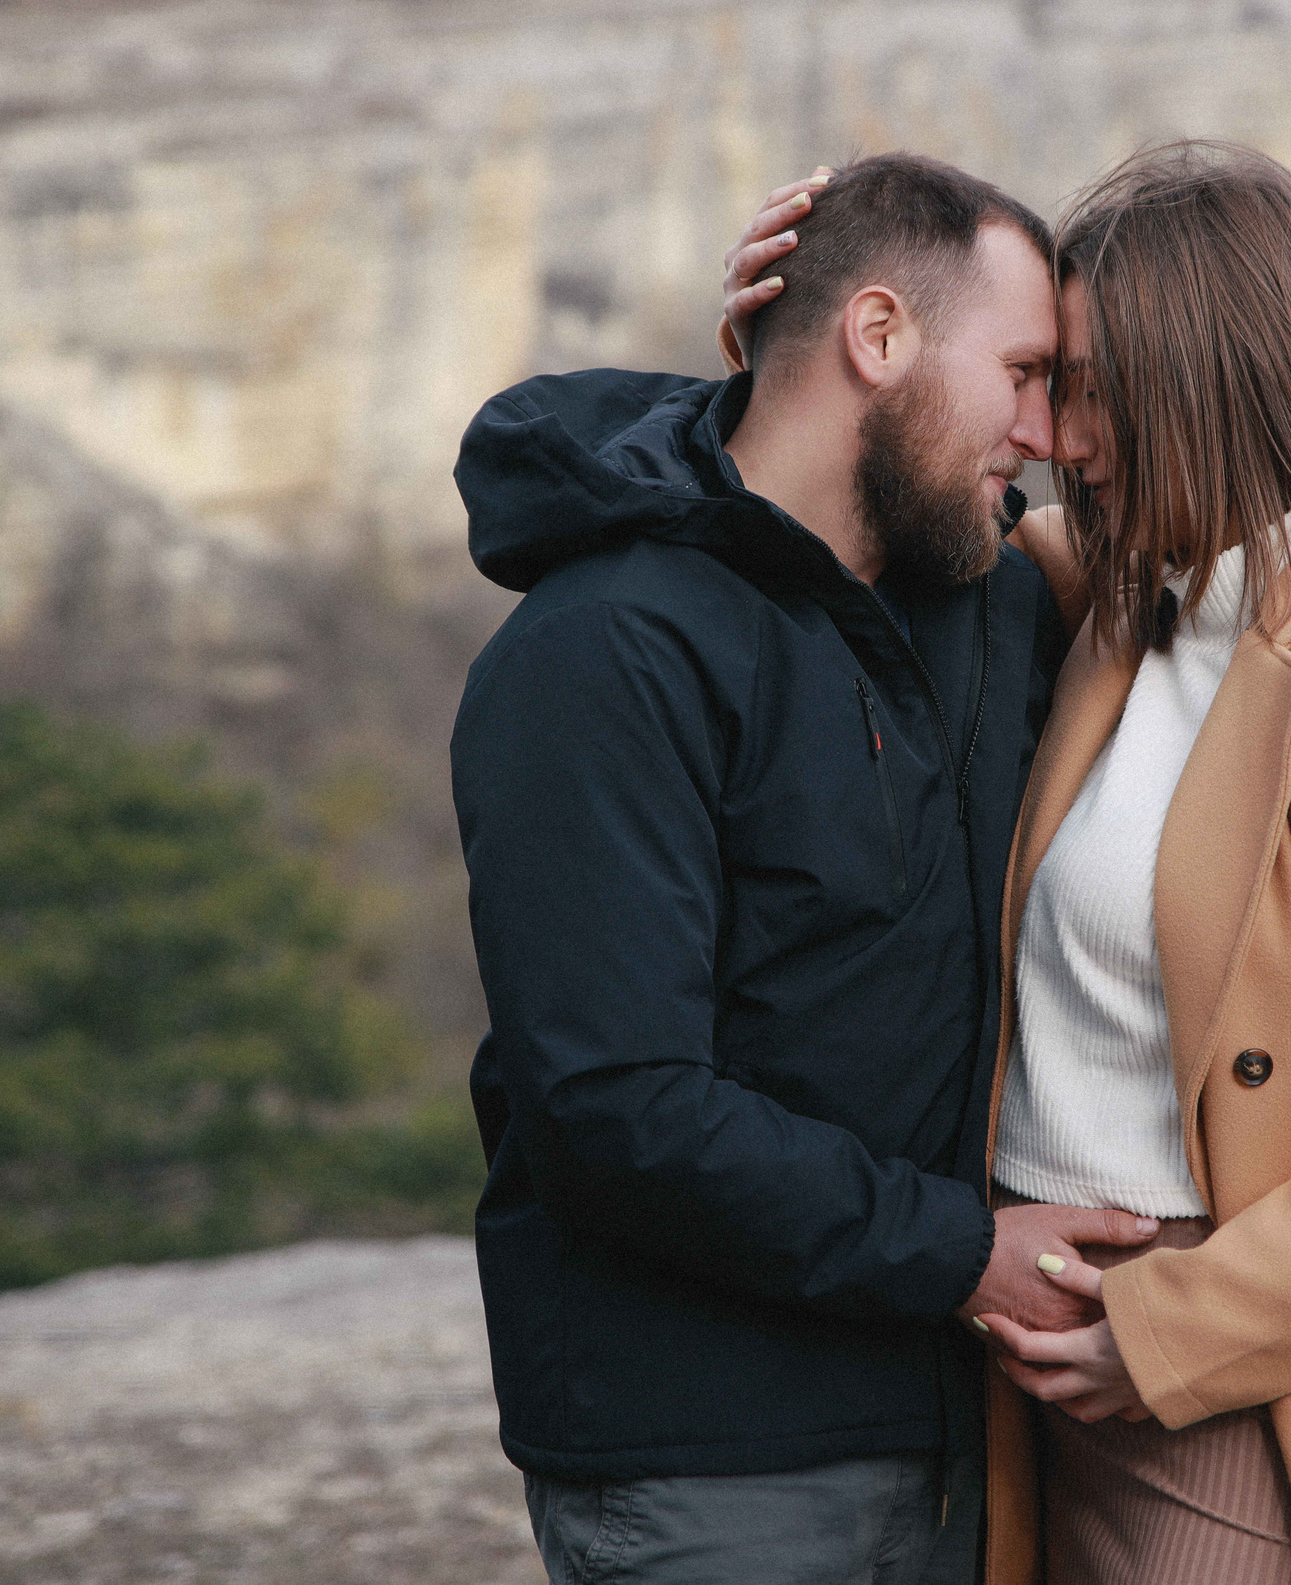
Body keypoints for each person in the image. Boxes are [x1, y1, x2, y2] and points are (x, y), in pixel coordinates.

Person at [723, 141, 1291, 1584]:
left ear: (1208, 387)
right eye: (1047, 386)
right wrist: (780, 367)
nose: (1056, 437)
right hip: (1043, 1363)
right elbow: (848, 504)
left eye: (1088, 392)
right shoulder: (1105, 609)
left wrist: (1179, 1325)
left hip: (1243, 1377)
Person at [448, 151, 1160, 1585]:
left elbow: (1219, 584)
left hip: (966, 1433)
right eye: (1023, 373)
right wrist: (965, 1252)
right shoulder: (604, 654)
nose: (1044, 433)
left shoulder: (984, 595)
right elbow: (618, 1107)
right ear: (878, 336)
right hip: (713, 1462)